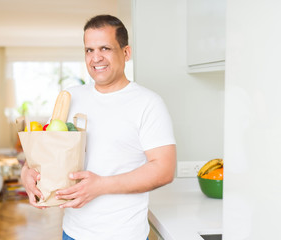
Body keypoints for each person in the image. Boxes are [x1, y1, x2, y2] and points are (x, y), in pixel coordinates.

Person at [21, 14, 176, 240]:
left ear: (126, 52)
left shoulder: (148, 103)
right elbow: (48, 149)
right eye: (89, 50)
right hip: (72, 232)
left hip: (123, 234)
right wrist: (27, 172)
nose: (96, 58)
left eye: (105, 48)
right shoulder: (71, 96)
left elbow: (164, 169)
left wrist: (100, 186)